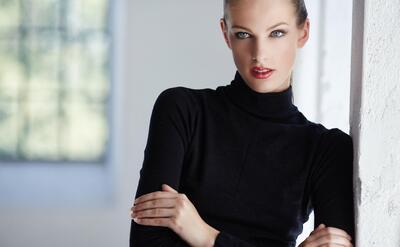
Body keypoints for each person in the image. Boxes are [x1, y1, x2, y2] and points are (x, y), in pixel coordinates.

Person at [129, 0, 355, 246]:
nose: (259, 54)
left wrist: (205, 236)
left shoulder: (327, 149)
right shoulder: (182, 110)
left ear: (304, 32)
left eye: (276, 33)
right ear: (226, 35)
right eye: (243, 34)